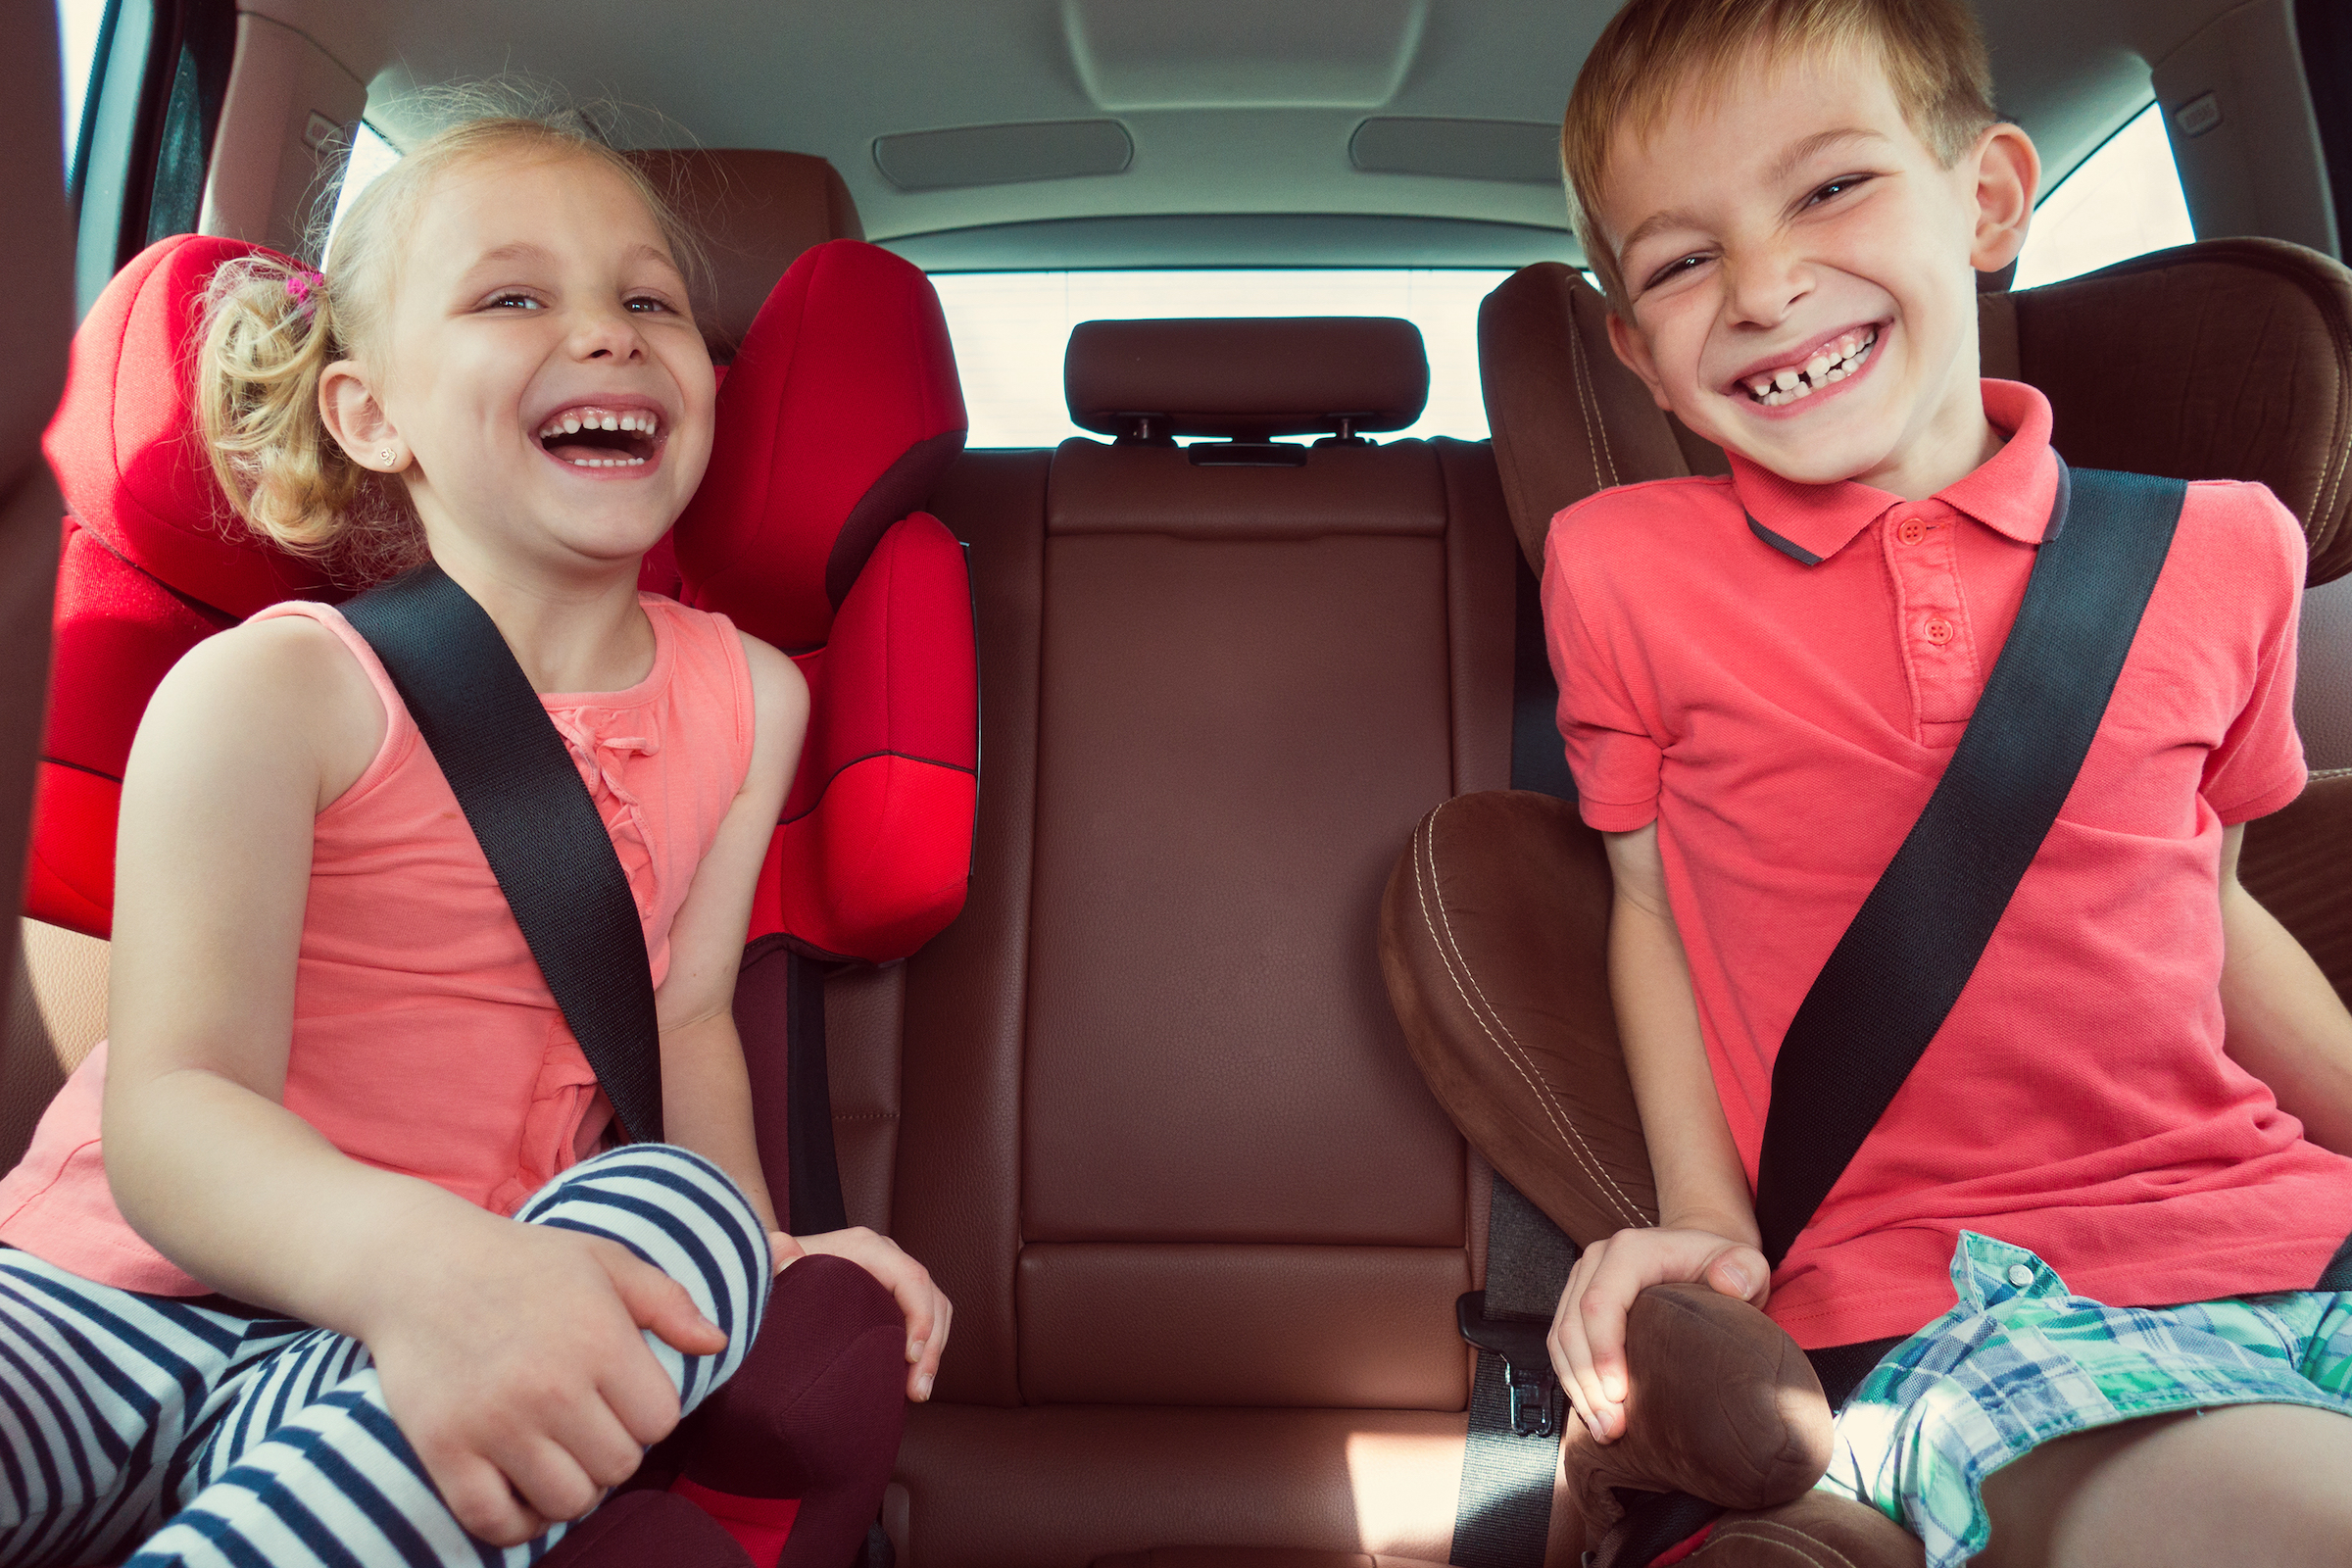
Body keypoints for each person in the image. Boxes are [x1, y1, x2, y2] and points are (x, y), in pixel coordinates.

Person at [0, 113, 949, 1568]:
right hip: (92, 1293)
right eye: (516, 298)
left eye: (650, 303)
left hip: (409, 1360)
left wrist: (762, 1251)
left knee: (679, 1211)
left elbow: (685, 1014)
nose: (609, 336)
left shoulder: (749, 697)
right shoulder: (278, 688)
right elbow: (173, 1114)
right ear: (370, 413)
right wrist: (421, 1268)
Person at [1534, 1, 2352, 1562]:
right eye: (1681, 260)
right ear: (1634, 348)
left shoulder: (2223, 546)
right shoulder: (1624, 571)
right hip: (1957, 1286)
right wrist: (1714, 1231)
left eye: (1830, 187)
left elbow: (2216, 906)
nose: (1766, 287)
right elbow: (1651, 903)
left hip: (2299, 1229)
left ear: (1985, 200)